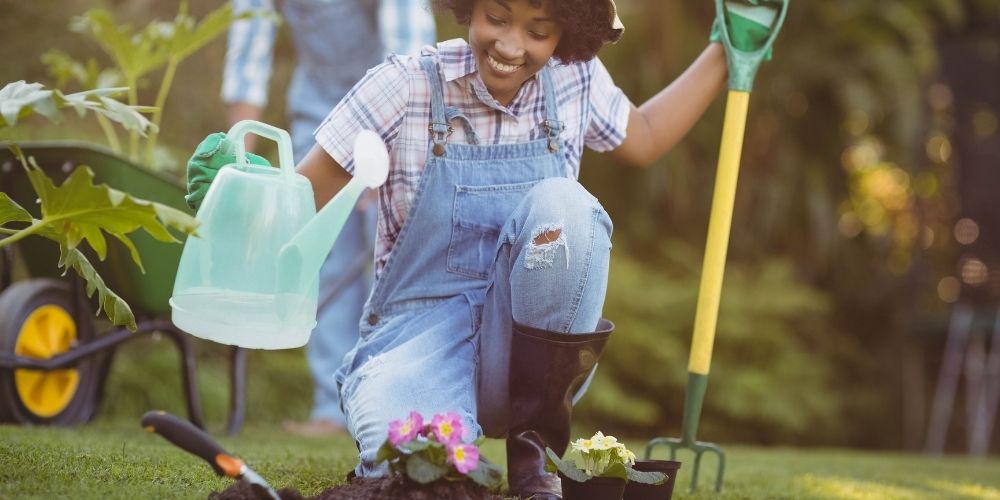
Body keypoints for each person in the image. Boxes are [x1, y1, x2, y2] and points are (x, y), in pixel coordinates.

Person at [187, 0, 774, 496]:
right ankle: (441, 431)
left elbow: (642, 137)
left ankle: (533, 449)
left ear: (565, 34)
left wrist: (728, 48)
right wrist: (239, 185)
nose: (512, 45)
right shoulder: (405, 83)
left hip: (526, 353)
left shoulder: (575, 82)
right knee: (415, 464)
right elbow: (302, 194)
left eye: (538, 31)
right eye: (497, 17)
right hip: (414, 340)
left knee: (564, 205)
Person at [219, 0, 436, 436]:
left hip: (399, 103)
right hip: (319, 107)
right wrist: (236, 163)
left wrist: (388, 147)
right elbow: (247, 56)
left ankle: (395, 404)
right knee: (320, 248)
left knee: (388, 248)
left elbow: (409, 48)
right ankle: (331, 406)